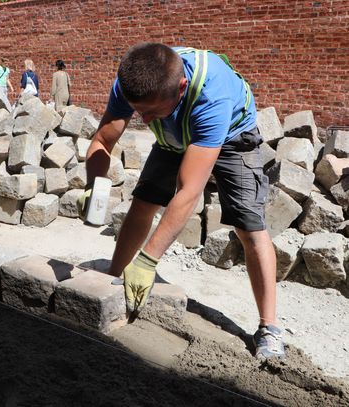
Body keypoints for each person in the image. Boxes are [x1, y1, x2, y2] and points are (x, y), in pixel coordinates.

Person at [80, 43, 285, 359]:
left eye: (151, 111)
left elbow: (188, 191)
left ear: (181, 88)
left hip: (232, 135)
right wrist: (95, 186)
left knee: (249, 226)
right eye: (139, 111)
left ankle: (269, 328)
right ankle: (115, 278)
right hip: (175, 134)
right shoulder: (133, 80)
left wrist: (148, 260)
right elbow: (103, 140)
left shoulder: (211, 97)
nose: (145, 120)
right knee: (144, 200)